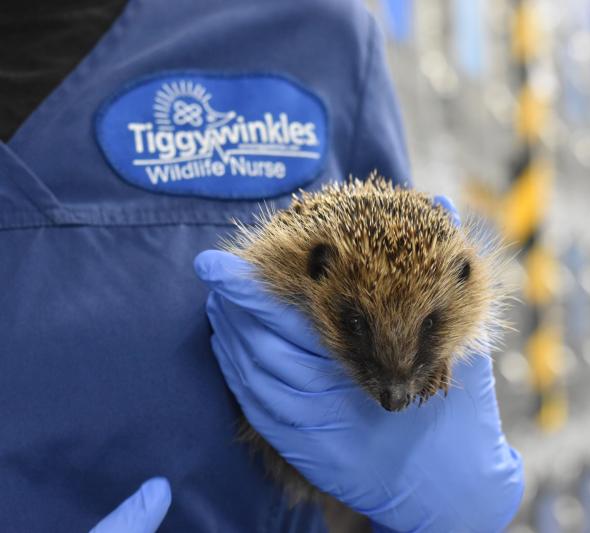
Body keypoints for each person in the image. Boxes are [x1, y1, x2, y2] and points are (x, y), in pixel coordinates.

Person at [0, 0, 523, 530]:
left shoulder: (316, 35)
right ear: (317, 269)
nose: (394, 395)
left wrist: (450, 516)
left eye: (431, 324)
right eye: (356, 323)